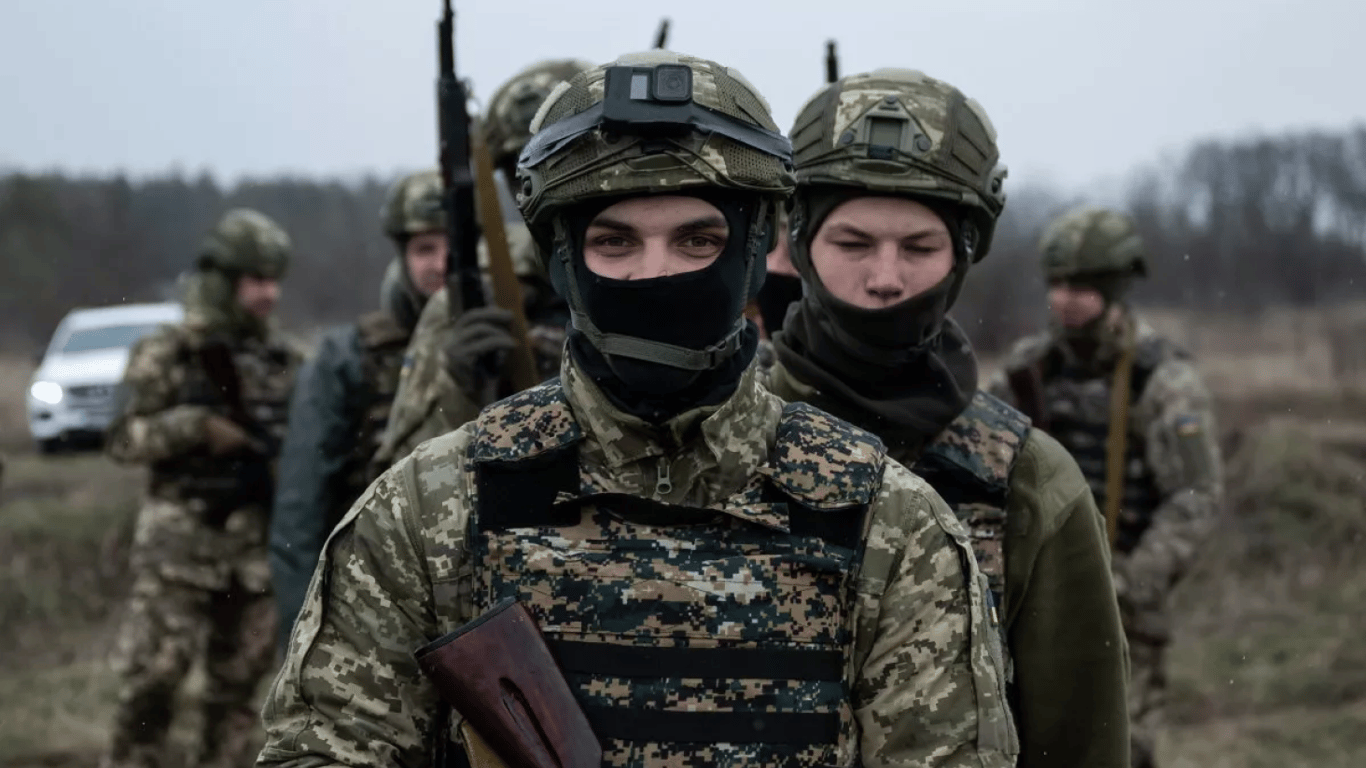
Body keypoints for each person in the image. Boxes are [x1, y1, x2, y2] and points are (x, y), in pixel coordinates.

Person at [258, 52, 1015, 768]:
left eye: (697, 240)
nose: (655, 275)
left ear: (755, 253)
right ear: (562, 260)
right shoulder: (431, 512)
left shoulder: (886, 523)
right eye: (614, 242)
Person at [764, 68, 1131, 768]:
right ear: (801, 241)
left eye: (920, 247)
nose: (885, 278)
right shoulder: (716, 435)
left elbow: (1080, 742)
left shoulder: (1027, 480)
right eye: (852, 243)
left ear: (964, 255)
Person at [986, 206, 1224, 768]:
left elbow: (1195, 498)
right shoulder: (1029, 371)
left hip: (1124, 615)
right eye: (1058, 284)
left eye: (1083, 286)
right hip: (1030, 606)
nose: (1065, 298)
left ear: (1115, 291)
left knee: (1121, 751)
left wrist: (1129, 583)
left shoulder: (1162, 380)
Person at [102, 209, 300, 768]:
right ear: (224, 278)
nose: (268, 294)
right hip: (179, 552)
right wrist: (193, 428)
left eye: (273, 280)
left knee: (236, 699)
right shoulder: (167, 353)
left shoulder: (286, 360)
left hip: (254, 557)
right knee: (152, 685)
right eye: (254, 280)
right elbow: (122, 438)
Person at [373, 58, 590, 467]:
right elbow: (395, 481)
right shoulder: (478, 297)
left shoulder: (673, 272)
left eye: (571, 159)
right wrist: (458, 390)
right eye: (525, 168)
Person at [268, 170, 446, 652]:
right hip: (375, 604)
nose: (441, 264)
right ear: (403, 257)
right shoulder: (348, 359)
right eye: (425, 249)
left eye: (454, 246)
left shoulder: (514, 342)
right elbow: (301, 510)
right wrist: (301, 638)